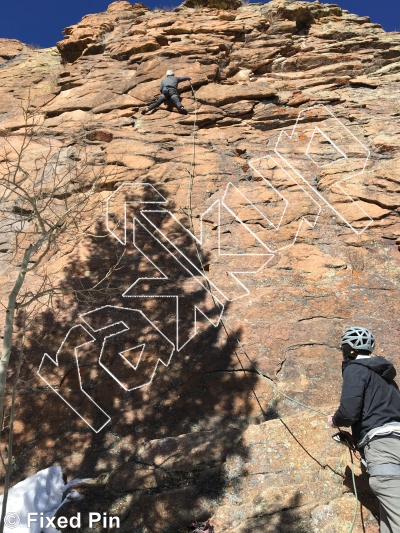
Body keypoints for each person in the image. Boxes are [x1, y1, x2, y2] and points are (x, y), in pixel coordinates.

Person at [328, 326, 400, 533]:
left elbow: (349, 412)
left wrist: (335, 420)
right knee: (389, 520)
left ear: (347, 349)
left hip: (382, 447)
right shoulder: (387, 378)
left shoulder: (355, 369)